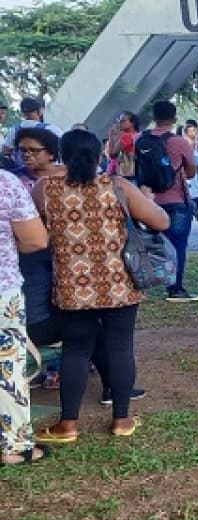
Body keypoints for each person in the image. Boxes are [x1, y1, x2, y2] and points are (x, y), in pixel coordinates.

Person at [33, 130, 169, 444]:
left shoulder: (44, 190)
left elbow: (37, 231)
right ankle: (122, 419)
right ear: (99, 156)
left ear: (62, 156)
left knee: (76, 351)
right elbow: (160, 222)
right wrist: (145, 200)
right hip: (118, 284)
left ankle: (68, 425)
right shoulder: (118, 187)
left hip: (72, 287)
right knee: (121, 348)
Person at [0, 169, 51, 464]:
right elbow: (35, 240)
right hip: (3, 289)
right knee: (8, 366)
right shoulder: (6, 183)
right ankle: (14, 447)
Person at [143, 101, 198, 303]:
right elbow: (191, 171)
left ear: (154, 116)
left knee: (148, 245)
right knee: (177, 245)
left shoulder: (142, 140)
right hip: (175, 199)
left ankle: (144, 285)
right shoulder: (180, 142)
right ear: (175, 118)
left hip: (147, 201)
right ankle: (175, 289)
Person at [105, 111, 140, 181]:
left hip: (127, 175)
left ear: (132, 123)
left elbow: (112, 155)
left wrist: (111, 136)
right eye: (119, 121)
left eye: (123, 121)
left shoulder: (127, 137)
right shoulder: (138, 135)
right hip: (137, 172)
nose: (120, 123)